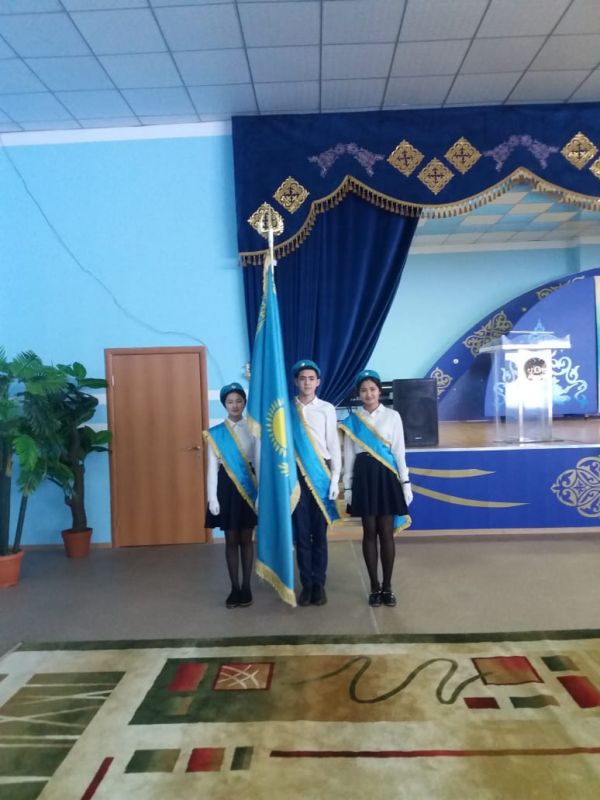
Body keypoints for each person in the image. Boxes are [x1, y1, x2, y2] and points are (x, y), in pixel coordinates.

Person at [339, 369, 413, 608]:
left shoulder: (392, 416)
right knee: (369, 532)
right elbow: (349, 456)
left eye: (372, 389)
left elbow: (399, 452)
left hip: (386, 477)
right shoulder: (352, 421)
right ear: (358, 394)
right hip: (363, 478)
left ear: (379, 391)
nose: (368, 394)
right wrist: (348, 487)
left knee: (386, 532)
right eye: (363, 390)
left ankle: (388, 587)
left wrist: (406, 483)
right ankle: (374, 586)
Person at [291, 359, 342, 607]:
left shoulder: (327, 409)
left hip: (321, 471)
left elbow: (333, 444)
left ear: (318, 382)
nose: (307, 383)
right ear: (296, 381)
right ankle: (306, 584)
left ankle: (319, 583)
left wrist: (336, 478)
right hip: (296, 474)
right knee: (301, 533)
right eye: (302, 378)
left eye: (311, 378)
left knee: (318, 532)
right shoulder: (287, 409)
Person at [204, 383, 258, 609]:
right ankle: (234, 588)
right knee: (231, 539)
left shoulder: (253, 429)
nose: (234, 405)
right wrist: (212, 498)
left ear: (244, 403)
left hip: (249, 487)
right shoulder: (216, 433)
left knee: (246, 539)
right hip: (226, 489)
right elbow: (212, 468)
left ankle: (246, 587)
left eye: (238, 401)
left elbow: (258, 463)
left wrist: (260, 494)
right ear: (224, 404)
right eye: (230, 402)